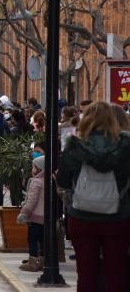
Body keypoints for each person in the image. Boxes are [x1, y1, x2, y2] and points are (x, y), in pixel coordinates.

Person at [57, 102, 130, 292]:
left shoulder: (74, 145)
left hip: (81, 215)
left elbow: (63, 181)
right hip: (118, 216)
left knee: (86, 274)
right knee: (117, 272)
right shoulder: (125, 146)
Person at [17, 155, 45, 272]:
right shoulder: (50, 180)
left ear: (40, 169)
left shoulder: (36, 182)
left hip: (35, 218)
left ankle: (32, 262)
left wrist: (24, 213)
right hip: (46, 218)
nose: (32, 170)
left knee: (32, 239)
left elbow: (32, 201)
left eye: (34, 167)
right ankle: (43, 261)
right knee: (44, 241)